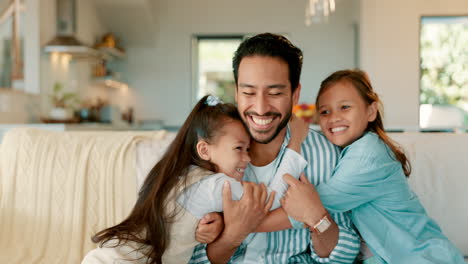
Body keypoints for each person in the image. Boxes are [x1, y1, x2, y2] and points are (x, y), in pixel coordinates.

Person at [190, 33, 360, 263]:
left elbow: (344, 256)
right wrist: (231, 234)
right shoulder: (210, 152)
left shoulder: (327, 154)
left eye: (275, 93)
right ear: (237, 93)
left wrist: (318, 218)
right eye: (248, 92)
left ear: (295, 94)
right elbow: (191, 255)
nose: (260, 108)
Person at [81, 95, 310, 264]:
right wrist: (296, 143)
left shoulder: (178, 175)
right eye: (239, 148)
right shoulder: (217, 185)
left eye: (248, 149)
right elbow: (272, 198)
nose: (247, 158)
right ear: (204, 149)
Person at [304, 69, 464, 263]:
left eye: (344, 107)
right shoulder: (340, 152)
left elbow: (316, 204)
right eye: (324, 112)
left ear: (371, 111)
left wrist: (258, 222)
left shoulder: (368, 153)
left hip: (422, 257)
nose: (334, 117)